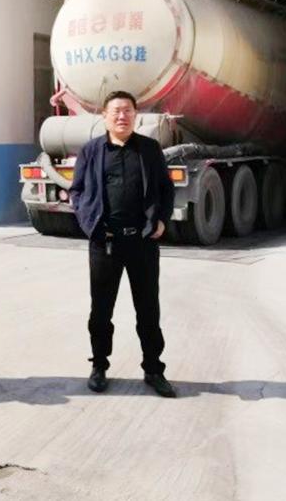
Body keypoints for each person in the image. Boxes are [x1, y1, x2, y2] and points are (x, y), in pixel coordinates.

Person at [69, 90, 176, 398]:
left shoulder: (149, 149)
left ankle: (154, 369)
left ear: (135, 115)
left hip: (142, 243)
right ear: (104, 116)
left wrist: (161, 220)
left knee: (148, 309)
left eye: (127, 110)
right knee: (101, 311)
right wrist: (90, 224)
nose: (122, 116)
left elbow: (165, 188)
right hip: (105, 244)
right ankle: (99, 366)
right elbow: (77, 191)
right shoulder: (91, 151)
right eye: (115, 110)